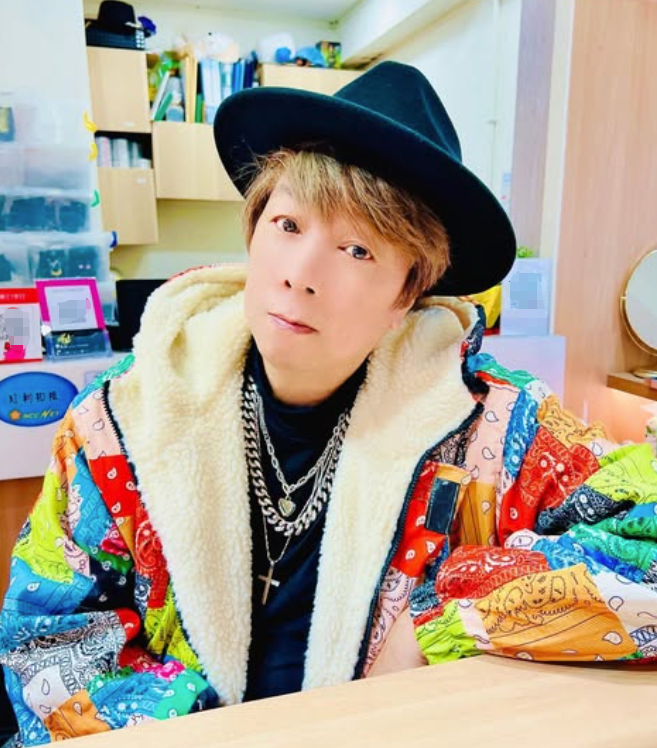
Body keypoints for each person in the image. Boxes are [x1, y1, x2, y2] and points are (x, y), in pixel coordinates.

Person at [2, 61, 657, 746]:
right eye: (287, 225)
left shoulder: (497, 424)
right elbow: (44, 647)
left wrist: (440, 620)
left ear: (408, 292)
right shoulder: (119, 421)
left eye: (356, 249)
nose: (300, 274)